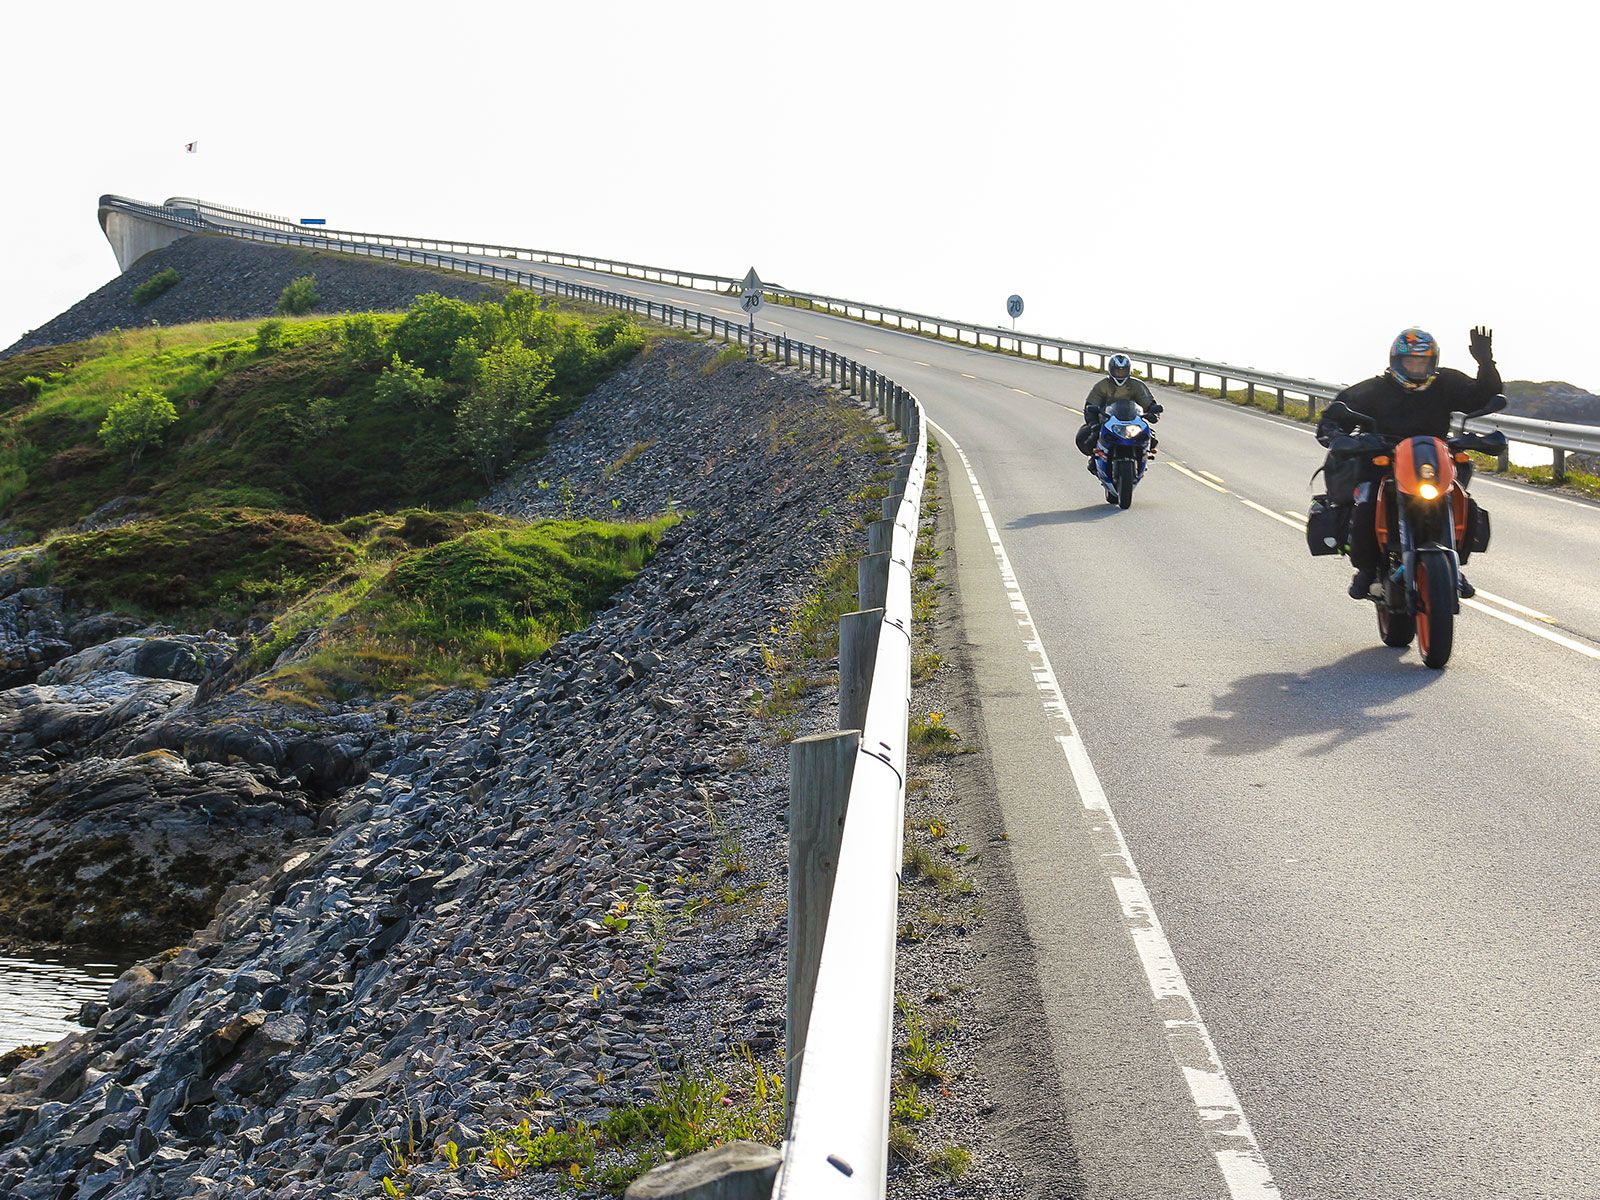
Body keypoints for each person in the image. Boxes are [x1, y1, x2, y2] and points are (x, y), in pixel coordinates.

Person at [1319, 326, 1501, 599]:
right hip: (1384, 464)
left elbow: (1483, 395)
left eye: (1423, 361)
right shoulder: (1373, 390)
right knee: (1366, 502)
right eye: (1410, 361)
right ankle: (1367, 570)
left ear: (1432, 362)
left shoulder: (1446, 384)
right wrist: (1340, 437)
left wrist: (1486, 363)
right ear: (1396, 361)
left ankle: (1454, 564)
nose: (1417, 367)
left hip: (1431, 461)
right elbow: (1331, 419)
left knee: (1463, 499)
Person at [1077, 354, 1162, 470]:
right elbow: (1091, 405)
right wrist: (1093, 423)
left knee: (1151, 436)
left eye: (1123, 370)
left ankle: (1143, 457)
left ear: (1128, 370)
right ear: (1111, 370)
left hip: (1132, 421)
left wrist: (1153, 412)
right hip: (1107, 421)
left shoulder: (1137, 385)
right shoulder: (1102, 386)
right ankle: (1095, 457)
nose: (1120, 373)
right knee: (1085, 437)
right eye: (1117, 370)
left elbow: (1147, 401)